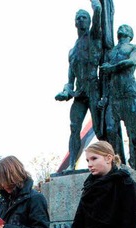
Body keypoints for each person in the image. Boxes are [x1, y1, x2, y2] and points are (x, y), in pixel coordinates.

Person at [55, 0, 106, 171]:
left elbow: (98, 9)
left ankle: (111, 162)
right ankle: (71, 165)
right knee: (74, 127)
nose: (82, 20)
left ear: (89, 21)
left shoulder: (95, 37)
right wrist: (65, 91)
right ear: (75, 22)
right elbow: (70, 79)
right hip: (80, 93)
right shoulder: (72, 51)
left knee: (99, 130)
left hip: (94, 89)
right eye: (79, 18)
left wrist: (94, 3)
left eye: (85, 17)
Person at [99, 24, 136, 170]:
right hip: (113, 97)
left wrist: (112, 68)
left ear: (130, 34)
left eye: (126, 27)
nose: (122, 28)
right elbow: (105, 79)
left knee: (133, 134)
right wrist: (104, 98)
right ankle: (118, 164)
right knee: (111, 130)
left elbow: (132, 61)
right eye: (121, 27)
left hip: (129, 93)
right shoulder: (110, 52)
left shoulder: (135, 47)